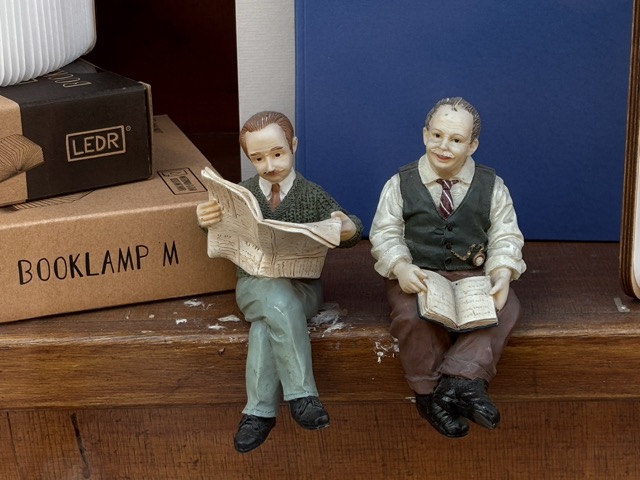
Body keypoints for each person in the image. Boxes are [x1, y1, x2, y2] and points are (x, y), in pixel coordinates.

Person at [197, 111, 363, 452]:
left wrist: (347, 227)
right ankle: (302, 397)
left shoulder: (312, 195)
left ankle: (259, 414)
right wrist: (206, 219)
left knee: (267, 323)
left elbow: (349, 228)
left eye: (277, 153)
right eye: (258, 158)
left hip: (303, 288)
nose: (270, 165)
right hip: (254, 286)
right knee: (274, 299)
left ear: (293, 146)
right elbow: (215, 228)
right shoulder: (242, 193)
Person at [369, 97, 526, 438]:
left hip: (472, 274)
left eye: (456, 140)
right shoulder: (400, 184)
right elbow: (384, 233)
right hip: (419, 274)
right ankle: (427, 393)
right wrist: (401, 266)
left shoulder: (492, 186)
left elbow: (505, 234)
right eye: (437, 135)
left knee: (505, 307)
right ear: (425, 134)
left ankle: (461, 381)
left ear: (472, 145)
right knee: (412, 316)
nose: (444, 146)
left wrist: (501, 272)